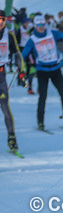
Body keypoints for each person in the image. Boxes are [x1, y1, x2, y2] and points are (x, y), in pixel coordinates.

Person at [21, 14, 63, 130]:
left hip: (55, 69)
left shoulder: (52, 33)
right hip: (42, 71)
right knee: (43, 97)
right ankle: (40, 123)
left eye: (43, 24)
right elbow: (24, 54)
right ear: (35, 26)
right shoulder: (32, 40)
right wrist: (19, 62)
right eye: (39, 25)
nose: (41, 27)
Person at [0, 10, 22, 152]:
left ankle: (12, 138)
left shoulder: (9, 36)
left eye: (3, 19)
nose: (1, 22)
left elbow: (16, 54)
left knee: (5, 108)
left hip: (1, 76)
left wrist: (22, 71)